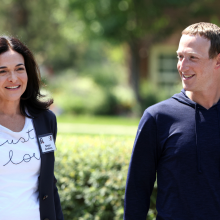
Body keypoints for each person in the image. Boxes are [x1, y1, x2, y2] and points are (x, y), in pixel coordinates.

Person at [124, 22, 220, 220]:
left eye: (192, 58)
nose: (182, 66)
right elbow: (137, 192)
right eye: (180, 57)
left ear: (217, 61)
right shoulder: (158, 118)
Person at [0, 36, 63, 220]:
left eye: (19, 69)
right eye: (2, 71)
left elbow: (49, 185)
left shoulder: (45, 120)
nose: (13, 78)